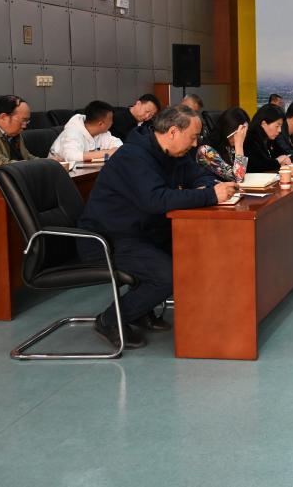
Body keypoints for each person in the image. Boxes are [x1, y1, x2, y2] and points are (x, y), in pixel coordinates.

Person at [77, 105, 238, 348]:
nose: (195, 144)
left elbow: (199, 175)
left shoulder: (174, 153)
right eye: (193, 137)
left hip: (143, 231)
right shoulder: (133, 156)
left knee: (197, 252)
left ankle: (142, 311)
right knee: (167, 276)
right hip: (108, 238)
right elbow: (155, 200)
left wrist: (207, 186)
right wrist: (211, 195)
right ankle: (110, 320)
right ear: (173, 132)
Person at [49, 100, 122, 163]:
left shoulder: (102, 133)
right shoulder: (72, 132)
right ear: (101, 124)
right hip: (59, 172)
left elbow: (119, 146)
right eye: (111, 120)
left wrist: (107, 153)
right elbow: (71, 157)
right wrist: (106, 153)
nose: (112, 123)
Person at [196, 107, 250, 182]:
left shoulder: (228, 146)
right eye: (239, 133)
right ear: (228, 131)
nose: (242, 137)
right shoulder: (205, 151)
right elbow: (238, 178)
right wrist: (239, 145)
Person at [244, 104, 293, 172]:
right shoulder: (249, 140)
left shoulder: (269, 138)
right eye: (277, 126)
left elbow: (282, 153)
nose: (280, 130)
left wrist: (285, 158)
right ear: (264, 124)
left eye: (280, 126)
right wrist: (278, 161)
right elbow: (260, 166)